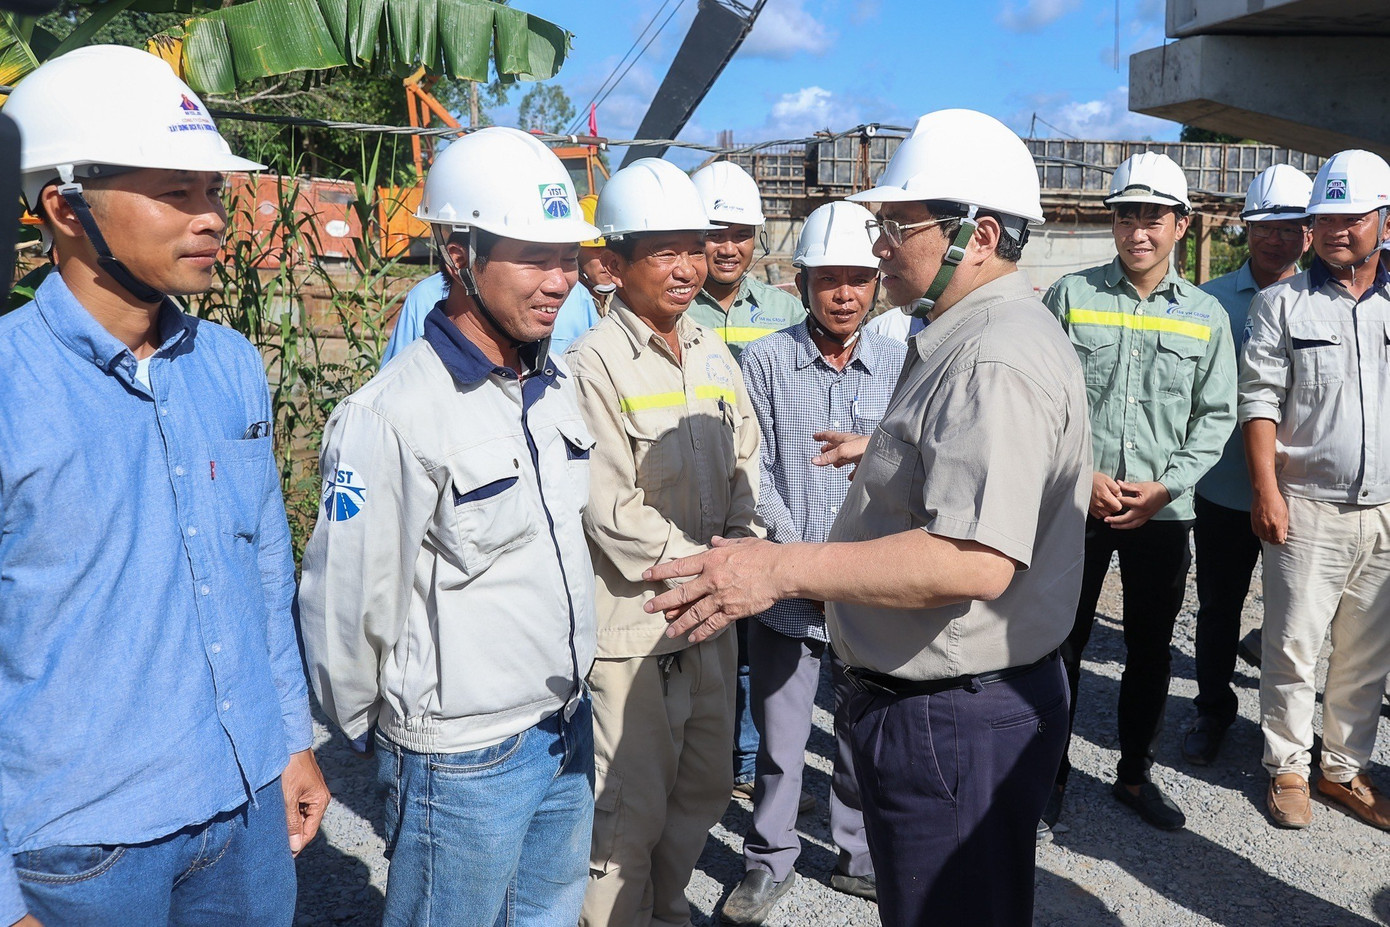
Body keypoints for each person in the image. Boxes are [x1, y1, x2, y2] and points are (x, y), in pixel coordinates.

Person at [642, 109, 1090, 927]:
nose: (880, 245)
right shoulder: (973, 336)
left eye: (898, 224)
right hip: (953, 706)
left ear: (979, 235)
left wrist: (780, 567)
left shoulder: (993, 358)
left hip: (953, 715)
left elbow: (972, 559)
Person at [0, 45, 329, 927]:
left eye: (213, 192)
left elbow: (263, 570)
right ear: (66, 208)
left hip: (245, 807)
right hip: (83, 852)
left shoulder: (227, 365)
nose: (211, 217)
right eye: (175, 192)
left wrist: (289, 738)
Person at [297, 127, 602, 925]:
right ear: (459, 251)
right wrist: (397, 739)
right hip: (461, 760)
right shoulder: (392, 415)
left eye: (567, 256)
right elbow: (343, 612)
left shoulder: (552, 387)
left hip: (566, 728)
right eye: (534, 256)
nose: (559, 280)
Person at [564, 158, 763, 927]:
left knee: (704, 789)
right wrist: (714, 568)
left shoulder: (714, 353)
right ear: (613, 265)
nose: (689, 266)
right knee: (627, 814)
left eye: (695, 247)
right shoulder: (592, 365)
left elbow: (748, 464)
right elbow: (609, 508)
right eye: (666, 251)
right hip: (638, 630)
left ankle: (665, 913)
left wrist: (743, 550)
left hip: (711, 620)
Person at [1043, 151, 1236, 835]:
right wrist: (1080, 472)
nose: (1138, 232)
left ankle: (1133, 774)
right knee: (1060, 642)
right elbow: (1044, 399)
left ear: (1182, 224)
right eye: (1126, 216)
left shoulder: (1207, 317)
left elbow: (1217, 416)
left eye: (1152, 217)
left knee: (1150, 647)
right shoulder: (1070, 297)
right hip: (1079, 505)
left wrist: (1167, 487)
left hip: (1161, 512)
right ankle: (1049, 776)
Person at [719, 201, 900, 925]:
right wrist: (802, 562)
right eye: (830, 279)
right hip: (789, 592)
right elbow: (752, 472)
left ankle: (857, 854)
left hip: (869, 589)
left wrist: (848, 567)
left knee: (861, 740)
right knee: (781, 739)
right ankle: (768, 858)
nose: (846, 293)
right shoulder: (764, 360)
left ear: (876, 282)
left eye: (859, 278)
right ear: (802, 284)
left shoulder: (899, 361)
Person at [1240, 149, 1390, 831]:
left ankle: (1343, 769)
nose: (1336, 230)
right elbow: (1261, 402)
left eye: (1351, 217)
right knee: (1294, 646)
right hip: (1306, 506)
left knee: (1365, 652)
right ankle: (1289, 768)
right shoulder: (1281, 304)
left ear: (1382, 221)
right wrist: (1267, 490)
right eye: (1324, 217)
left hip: (1385, 510)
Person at [1183, 165, 1312, 766]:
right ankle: (1212, 712)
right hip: (1226, 490)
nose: (1277, 239)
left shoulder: (1323, 302)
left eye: (1290, 227)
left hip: (1307, 494)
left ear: (1308, 233)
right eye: (1265, 226)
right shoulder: (1209, 304)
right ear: (1246, 228)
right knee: (1218, 606)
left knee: (1299, 619)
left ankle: (1291, 732)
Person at [686, 159, 806, 797]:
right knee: (708, 625)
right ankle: (712, 758)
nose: (727, 247)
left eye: (740, 233)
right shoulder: (674, 306)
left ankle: (756, 761)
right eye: (713, 233)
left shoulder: (787, 309)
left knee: (764, 632)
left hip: (767, 487)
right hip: (692, 486)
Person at [379, 193, 610, 364]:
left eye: (570, 258)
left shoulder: (561, 384)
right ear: (460, 262)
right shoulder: (388, 415)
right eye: (536, 261)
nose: (559, 285)